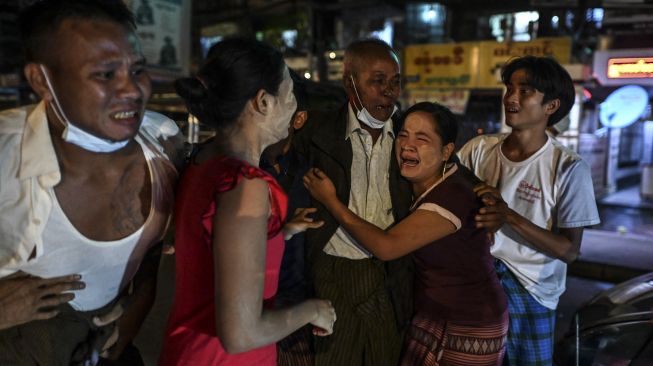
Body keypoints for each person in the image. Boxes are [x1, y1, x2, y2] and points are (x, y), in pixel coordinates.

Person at [0, 0, 184, 365]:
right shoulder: (5, 157)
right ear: (41, 80)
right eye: (105, 74)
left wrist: (132, 316)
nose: (132, 90)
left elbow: (150, 254)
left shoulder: (164, 142)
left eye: (138, 70)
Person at [159, 38, 336, 366]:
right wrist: (314, 310)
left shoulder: (204, 160)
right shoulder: (246, 185)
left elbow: (217, 249)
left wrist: (280, 234)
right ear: (263, 102)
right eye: (289, 93)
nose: (295, 105)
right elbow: (241, 334)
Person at [304, 102, 509, 366]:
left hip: (469, 320)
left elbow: (387, 247)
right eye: (403, 135)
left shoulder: (452, 197)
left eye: (422, 139)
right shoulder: (425, 183)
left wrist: (331, 202)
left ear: (447, 151)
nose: (407, 145)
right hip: (436, 312)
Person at [457, 55, 601, 365]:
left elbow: (569, 250)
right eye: (509, 88)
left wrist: (506, 216)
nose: (511, 98)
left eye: (526, 91)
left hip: (531, 292)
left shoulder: (568, 167)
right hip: (476, 278)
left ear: (551, 106)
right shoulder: (478, 150)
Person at [292, 38, 413, 366]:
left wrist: (479, 191)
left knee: (385, 355)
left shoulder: (410, 132)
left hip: (390, 272)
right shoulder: (317, 130)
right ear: (350, 82)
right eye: (377, 81)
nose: (388, 91)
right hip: (332, 269)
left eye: (395, 81)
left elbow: (449, 171)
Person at [260, 71, 314, 365]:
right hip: (250, 304)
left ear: (298, 119)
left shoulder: (310, 174)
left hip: (294, 303)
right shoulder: (244, 169)